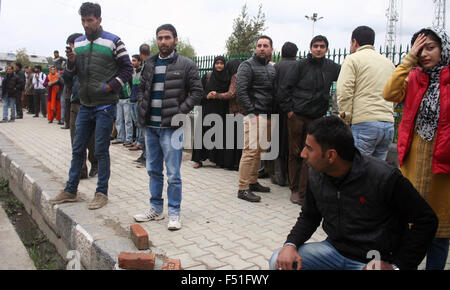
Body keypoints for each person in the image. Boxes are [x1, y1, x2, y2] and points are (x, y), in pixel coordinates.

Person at [269, 116, 438, 270]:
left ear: (330, 155)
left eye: (309, 148)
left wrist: (397, 266)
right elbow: (309, 216)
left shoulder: (384, 177)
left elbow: (426, 220)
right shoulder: (316, 174)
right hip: (333, 251)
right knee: (278, 261)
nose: (303, 154)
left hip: (373, 260)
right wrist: (290, 244)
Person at [50, 2, 133, 210]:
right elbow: (69, 78)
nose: (86, 24)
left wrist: (109, 87)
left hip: (105, 105)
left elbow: (127, 69)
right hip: (84, 104)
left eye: (90, 20)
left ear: (99, 20)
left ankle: (101, 192)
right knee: (77, 148)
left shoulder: (114, 41)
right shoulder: (77, 43)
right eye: (83, 21)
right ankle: (71, 190)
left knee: (100, 151)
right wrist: (70, 62)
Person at [383, 28, 450, 270]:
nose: (424, 54)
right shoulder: (414, 77)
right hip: (414, 157)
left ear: (443, 49)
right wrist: (408, 60)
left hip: (443, 161)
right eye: (419, 49)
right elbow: (389, 93)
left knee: (440, 229)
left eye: (430, 47)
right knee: (409, 221)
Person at [133, 24, 203, 230]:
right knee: (153, 170)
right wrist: (141, 107)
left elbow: (197, 92)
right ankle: (155, 209)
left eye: (167, 38)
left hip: (171, 129)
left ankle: (174, 213)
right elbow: (142, 90)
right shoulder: (149, 64)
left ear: (175, 40)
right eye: (160, 38)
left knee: (173, 174)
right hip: (150, 128)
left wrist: (180, 111)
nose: (163, 41)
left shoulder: (186, 64)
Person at [279, 36, 340, 205]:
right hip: (297, 116)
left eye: (322, 46)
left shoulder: (332, 67)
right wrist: (289, 110)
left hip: (316, 117)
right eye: (315, 46)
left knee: (311, 154)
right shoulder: (300, 65)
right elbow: (284, 88)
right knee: (295, 152)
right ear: (310, 48)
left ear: (327, 49)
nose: (318, 49)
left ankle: (305, 191)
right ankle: (295, 189)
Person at [337, 26, 395, 161]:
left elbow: (344, 91)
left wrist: (346, 118)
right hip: (388, 124)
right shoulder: (389, 63)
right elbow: (395, 92)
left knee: (358, 170)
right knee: (377, 173)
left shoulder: (352, 59)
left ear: (354, 42)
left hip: (364, 123)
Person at [236, 35, 276, 203]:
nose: (261, 48)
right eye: (259, 45)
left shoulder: (272, 68)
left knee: (260, 151)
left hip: (268, 115)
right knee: (250, 151)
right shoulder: (247, 66)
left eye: (265, 45)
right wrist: (251, 113)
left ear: (271, 49)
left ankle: (253, 182)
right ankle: (243, 188)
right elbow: (241, 91)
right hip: (254, 116)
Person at [192, 56, 230, 169]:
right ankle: (198, 160)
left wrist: (219, 95)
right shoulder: (208, 76)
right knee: (202, 133)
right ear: (213, 64)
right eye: (217, 63)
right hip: (207, 109)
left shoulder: (227, 78)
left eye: (221, 63)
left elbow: (229, 94)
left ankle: (217, 160)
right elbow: (198, 91)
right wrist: (207, 96)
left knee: (219, 134)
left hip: (221, 110)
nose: (219, 65)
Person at [271, 42, 298, 187]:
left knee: (278, 143)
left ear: (281, 53)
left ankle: (279, 177)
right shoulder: (299, 66)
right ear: (296, 53)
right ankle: (293, 178)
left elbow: (273, 88)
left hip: (278, 110)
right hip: (295, 111)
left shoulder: (276, 67)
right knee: (293, 144)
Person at [221, 58, 243, 171]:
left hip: (235, 111)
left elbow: (231, 94)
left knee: (232, 140)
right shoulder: (244, 75)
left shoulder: (235, 76)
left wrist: (217, 95)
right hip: (243, 111)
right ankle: (237, 163)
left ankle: (231, 164)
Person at [133, 44, 152, 165]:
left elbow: (145, 86)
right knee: (144, 131)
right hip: (144, 102)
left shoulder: (148, 66)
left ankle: (147, 157)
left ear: (141, 54)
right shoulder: (149, 65)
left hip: (146, 103)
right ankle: (144, 154)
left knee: (146, 132)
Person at [128, 54, 145, 151]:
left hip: (138, 100)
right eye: (132, 60)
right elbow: (131, 85)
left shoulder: (142, 72)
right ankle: (137, 140)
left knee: (140, 122)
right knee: (135, 122)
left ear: (139, 61)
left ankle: (140, 143)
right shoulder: (133, 72)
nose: (132, 62)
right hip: (132, 99)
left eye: (134, 60)